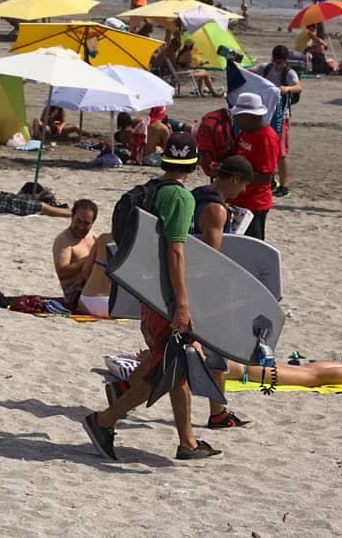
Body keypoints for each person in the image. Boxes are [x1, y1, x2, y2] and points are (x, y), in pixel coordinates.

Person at [83, 133, 223, 462]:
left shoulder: (153, 190)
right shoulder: (181, 198)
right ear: (196, 164)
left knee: (175, 365)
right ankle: (103, 421)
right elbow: (175, 252)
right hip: (166, 298)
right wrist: (183, 303)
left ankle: (187, 441)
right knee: (162, 370)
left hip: (150, 293)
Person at [227, 92, 280, 240]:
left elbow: (265, 177)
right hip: (238, 200)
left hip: (255, 204)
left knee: (252, 249)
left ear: (253, 116)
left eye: (240, 117)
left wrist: (234, 177)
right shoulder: (246, 132)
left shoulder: (266, 138)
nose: (237, 120)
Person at [260, 45, 302, 198]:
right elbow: (249, 72)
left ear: (285, 61)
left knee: (281, 152)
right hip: (265, 115)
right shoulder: (266, 69)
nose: (277, 66)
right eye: (275, 62)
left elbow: (298, 87)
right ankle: (270, 180)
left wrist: (286, 89)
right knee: (265, 149)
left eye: (280, 63)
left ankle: (284, 186)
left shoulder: (289, 73)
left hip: (281, 116)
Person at [52, 199, 99, 311]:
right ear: (72, 217)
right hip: (75, 294)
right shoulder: (64, 240)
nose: (81, 226)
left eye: (86, 223)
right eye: (78, 221)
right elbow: (62, 273)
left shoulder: (93, 236)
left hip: (93, 286)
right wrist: (90, 258)